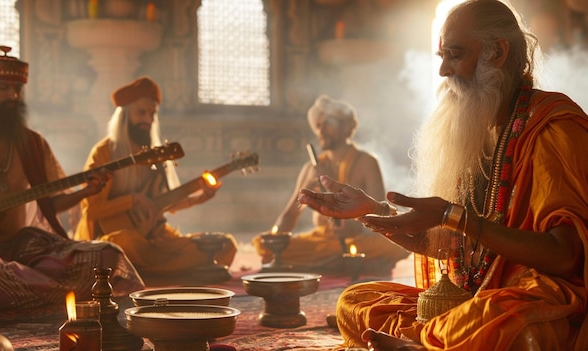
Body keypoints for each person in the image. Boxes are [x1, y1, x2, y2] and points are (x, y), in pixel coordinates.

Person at [298, 1, 588, 350]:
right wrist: (371, 209)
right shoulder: (477, 130)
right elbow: (452, 248)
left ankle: (424, 341)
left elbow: (565, 256)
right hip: (475, 298)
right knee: (356, 300)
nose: (443, 71)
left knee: (508, 324)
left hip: (535, 298)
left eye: (454, 54)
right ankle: (430, 341)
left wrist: (456, 217)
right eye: (441, 56)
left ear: (497, 52)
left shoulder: (553, 128)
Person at [0, 46, 145, 318]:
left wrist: (86, 191)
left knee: (109, 255)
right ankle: (44, 292)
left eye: (17, 90)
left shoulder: (32, 143)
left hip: (22, 248)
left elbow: (50, 204)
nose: (12, 96)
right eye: (3, 88)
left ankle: (7, 293)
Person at [74, 76, 237, 277]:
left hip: (154, 238)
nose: (148, 120)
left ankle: (144, 270)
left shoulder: (156, 155)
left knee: (225, 245)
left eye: (152, 114)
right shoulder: (104, 153)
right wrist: (132, 201)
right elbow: (92, 211)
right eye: (141, 112)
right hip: (115, 239)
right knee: (121, 245)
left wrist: (200, 198)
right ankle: (166, 269)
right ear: (124, 116)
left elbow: (162, 202)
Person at [253, 95, 408, 274]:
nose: (321, 131)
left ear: (346, 128)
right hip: (321, 240)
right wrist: (274, 243)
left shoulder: (366, 162)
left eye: (328, 124)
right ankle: (347, 263)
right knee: (262, 244)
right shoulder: (311, 167)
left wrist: (356, 226)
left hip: (358, 239)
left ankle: (333, 263)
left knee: (393, 246)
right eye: (318, 126)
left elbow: (382, 216)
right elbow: (290, 215)